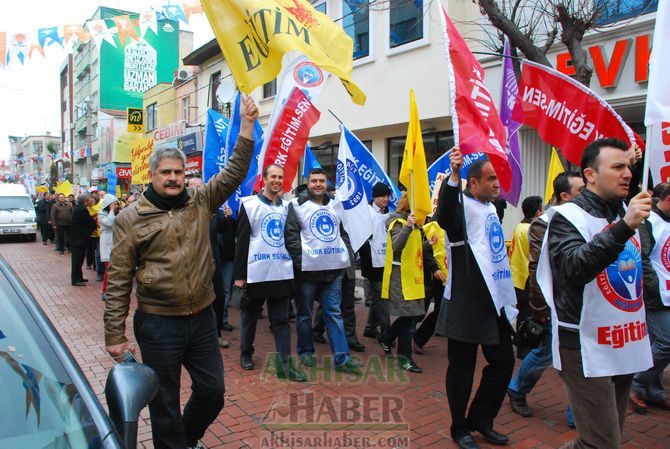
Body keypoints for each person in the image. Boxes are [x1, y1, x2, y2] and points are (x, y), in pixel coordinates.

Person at [103, 96, 258, 449]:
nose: (173, 178)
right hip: (158, 323)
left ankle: (185, 441)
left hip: (202, 316)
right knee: (164, 404)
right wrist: (114, 333)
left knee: (213, 391)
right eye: (165, 173)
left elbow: (234, 172)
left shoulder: (201, 201)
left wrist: (246, 127)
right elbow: (118, 279)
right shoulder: (131, 218)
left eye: (178, 172)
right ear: (153, 176)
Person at [538, 138, 653, 449]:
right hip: (584, 343)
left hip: (623, 337)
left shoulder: (623, 211)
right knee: (602, 442)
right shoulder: (567, 217)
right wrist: (624, 226)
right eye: (617, 167)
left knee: (605, 437)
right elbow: (573, 269)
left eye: (628, 167)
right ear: (590, 174)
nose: (627, 173)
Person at [435, 150, 517, 449]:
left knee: (504, 362)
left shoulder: (491, 207)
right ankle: (460, 427)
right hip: (466, 300)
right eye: (491, 178)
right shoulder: (460, 207)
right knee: (462, 369)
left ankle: (481, 418)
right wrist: (453, 175)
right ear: (473, 183)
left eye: (498, 178)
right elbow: (444, 215)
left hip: (495, 300)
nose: (498, 184)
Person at [507, 172, 584, 422]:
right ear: (565, 195)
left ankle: (577, 415)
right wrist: (539, 309)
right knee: (547, 353)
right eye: (580, 190)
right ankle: (517, 388)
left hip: (584, 302)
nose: (587, 193)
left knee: (581, 357)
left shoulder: (589, 218)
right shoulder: (545, 222)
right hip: (556, 303)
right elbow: (537, 269)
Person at [234, 164, 307, 381]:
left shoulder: (287, 207)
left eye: (280, 177)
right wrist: (240, 275)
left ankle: (285, 365)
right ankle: (246, 353)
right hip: (255, 272)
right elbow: (242, 241)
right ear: (263, 180)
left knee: (281, 320)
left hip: (281, 271)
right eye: (273, 176)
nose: (276, 180)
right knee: (249, 317)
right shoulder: (249, 205)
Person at [284, 167, 360, 374]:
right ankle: (306, 351)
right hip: (307, 273)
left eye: (322, 181)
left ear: (327, 183)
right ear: (307, 183)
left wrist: (346, 256)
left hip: (333, 272)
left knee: (334, 313)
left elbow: (342, 233)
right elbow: (291, 236)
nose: (318, 184)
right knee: (304, 314)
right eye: (314, 181)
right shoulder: (296, 205)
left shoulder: (336, 205)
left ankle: (342, 359)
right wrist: (301, 262)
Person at [379, 193, 441, 373]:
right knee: (410, 318)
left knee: (411, 316)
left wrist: (428, 244)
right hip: (400, 278)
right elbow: (397, 246)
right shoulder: (397, 223)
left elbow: (414, 250)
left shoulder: (416, 226)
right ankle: (404, 358)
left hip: (414, 277)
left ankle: (387, 337)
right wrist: (407, 226)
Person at [630, 182, 670, 412]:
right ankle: (637, 381)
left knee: (656, 343)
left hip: (666, 292)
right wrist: (654, 288)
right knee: (666, 342)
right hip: (656, 296)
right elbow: (642, 258)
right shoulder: (649, 222)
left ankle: (654, 392)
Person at [509, 195, 544, 359]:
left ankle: (520, 343)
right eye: (542, 208)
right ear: (537, 212)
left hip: (518, 275)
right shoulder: (531, 229)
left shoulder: (519, 227)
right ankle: (523, 348)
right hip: (526, 277)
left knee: (523, 313)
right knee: (526, 314)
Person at [361, 182, 392, 340]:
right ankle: (387, 332)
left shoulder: (389, 213)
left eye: (388, 196)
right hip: (372, 263)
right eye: (383, 196)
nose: (386, 199)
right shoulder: (365, 213)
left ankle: (370, 327)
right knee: (382, 298)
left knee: (376, 297)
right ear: (375, 196)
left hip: (385, 261)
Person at [70, 193, 97, 286]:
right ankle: (75, 279)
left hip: (78, 238)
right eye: (90, 199)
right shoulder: (82, 209)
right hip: (79, 239)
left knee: (80, 259)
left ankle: (79, 277)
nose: (92, 200)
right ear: (85, 201)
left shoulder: (79, 208)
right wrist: (94, 223)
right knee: (77, 260)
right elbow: (90, 222)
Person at [99, 194, 119, 302]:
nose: (115, 206)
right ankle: (105, 290)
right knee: (109, 268)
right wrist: (111, 211)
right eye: (113, 204)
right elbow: (109, 223)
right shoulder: (101, 214)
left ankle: (114, 289)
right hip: (107, 241)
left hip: (116, 241)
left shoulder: (117, 213)